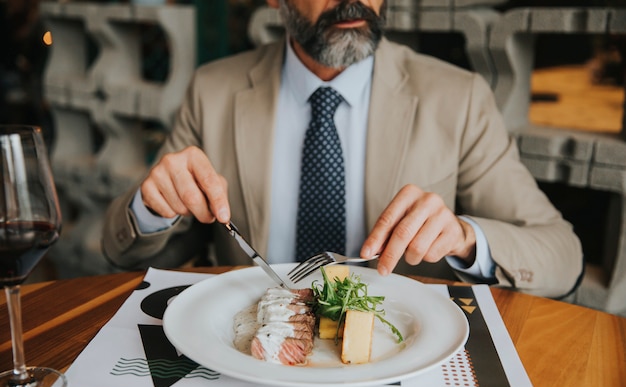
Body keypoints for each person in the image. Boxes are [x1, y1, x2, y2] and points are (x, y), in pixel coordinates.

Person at [102, 0, 583, 298]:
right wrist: (151, 208)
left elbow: (563, 257)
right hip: (256, 354)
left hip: (398, 363)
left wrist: (464, 236)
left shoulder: (459, 98)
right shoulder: (212, 91)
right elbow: (126, 255)